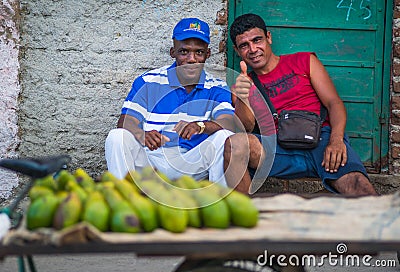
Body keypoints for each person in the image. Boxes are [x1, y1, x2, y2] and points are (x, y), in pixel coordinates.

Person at [223, 13, 378, 196]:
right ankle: (244, 215)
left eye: (258, 40)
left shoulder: (304, 61)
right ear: (237, 50)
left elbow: (333, 103)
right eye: (244, 46)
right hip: (279, 150)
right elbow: (246, 127)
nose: (253, 49)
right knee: (236, 144)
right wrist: (243, 95)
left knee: (361, 189)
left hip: (322, 143)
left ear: (269, 37)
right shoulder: (242, 84)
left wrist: (336, 141)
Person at [105, 18, 235, 187]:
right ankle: (123, 201)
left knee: (225, 137)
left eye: (199, 52)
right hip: (150, 163)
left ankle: (218, 202)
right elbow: (125, 121)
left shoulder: (217, 86)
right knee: (117, 137)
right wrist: (141, 135)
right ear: (172, 52)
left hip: (191, 164)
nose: (192, 59)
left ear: (208, 54)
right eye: (184, 52)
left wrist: (201, 126)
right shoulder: (148, 82)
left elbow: (228, 122)